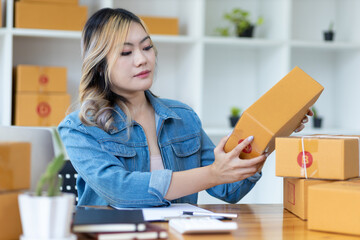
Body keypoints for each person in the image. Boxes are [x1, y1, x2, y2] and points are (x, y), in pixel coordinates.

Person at [58, 8, 311, 208]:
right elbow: (121, 190)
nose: (142, 59)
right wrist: (213, 173)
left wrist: (275, 134)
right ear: (100, 66)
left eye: (147, 47)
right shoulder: (79, 128)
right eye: (126, 52)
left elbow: (229, 189)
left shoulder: (182, 117)